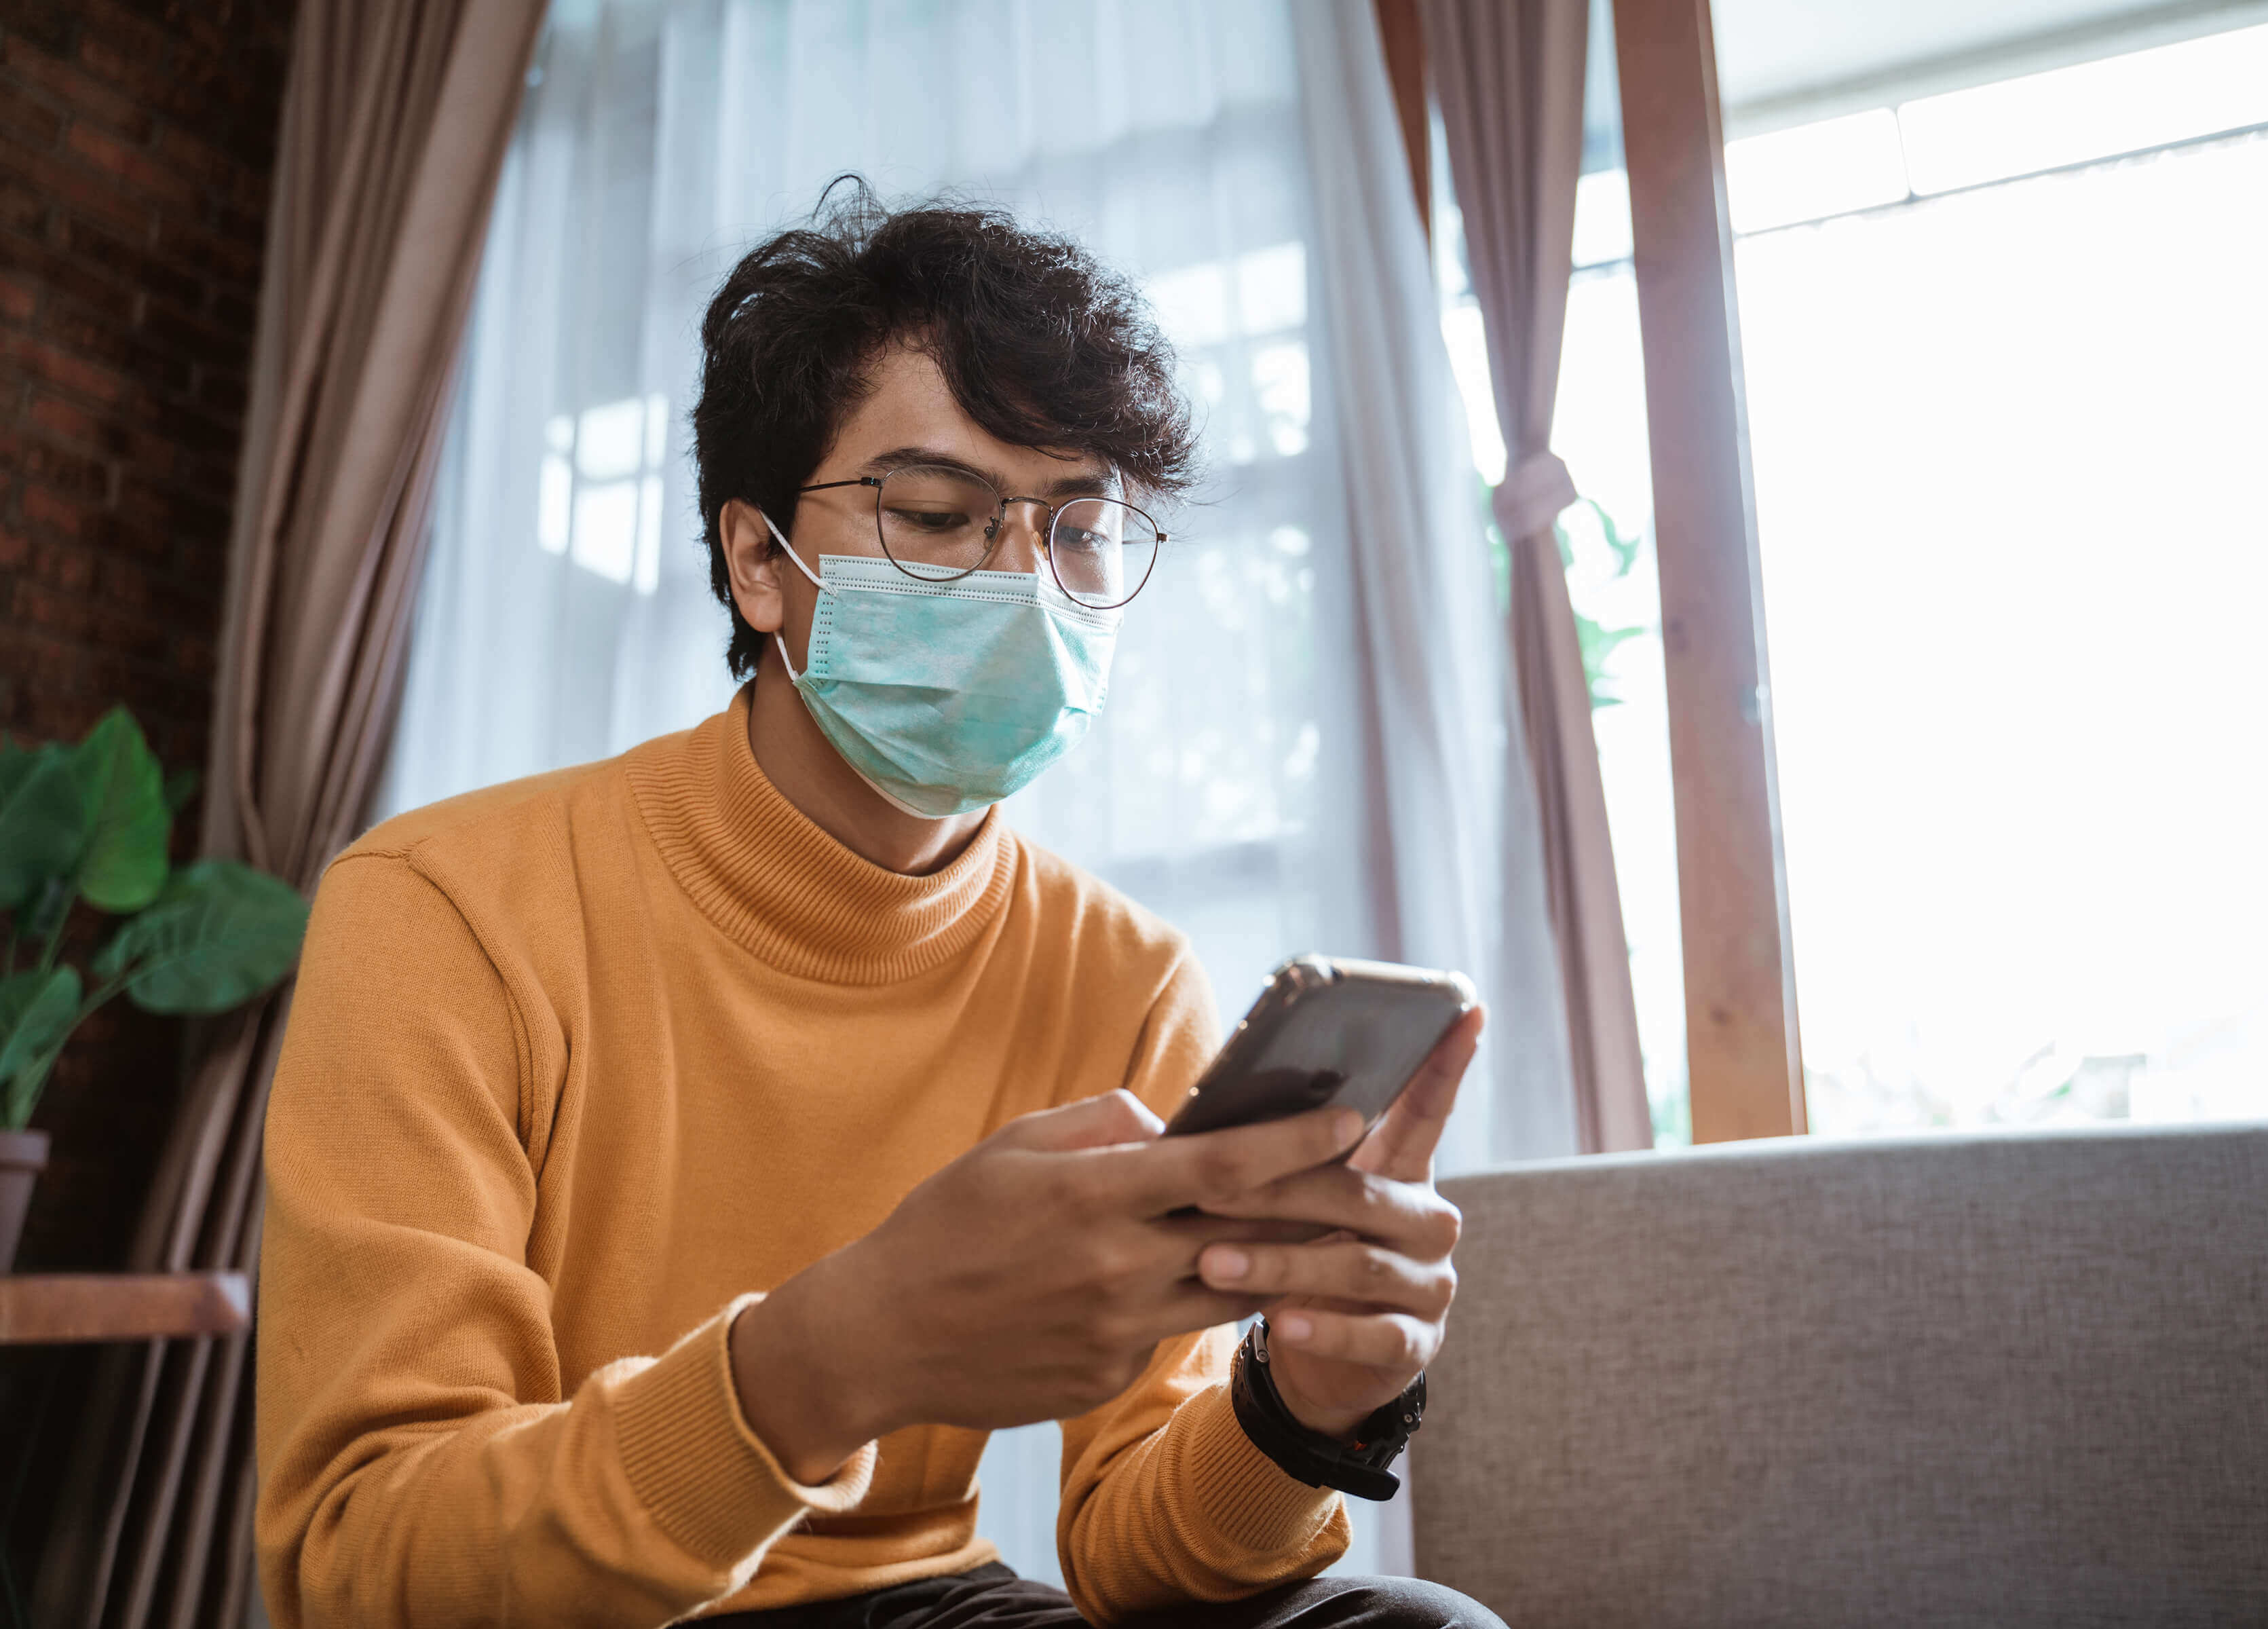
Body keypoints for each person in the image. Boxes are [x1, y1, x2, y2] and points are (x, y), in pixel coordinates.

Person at [254, 187, 1505, 1629]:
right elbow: (357, 1565)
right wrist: (827, 1359)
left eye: (1081, 529)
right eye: (933, 514)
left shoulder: (1120, 976)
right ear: (755, 562)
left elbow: (1135, 1562)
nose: (1025, 586)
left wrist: (1301, 1412)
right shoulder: (444, 912)